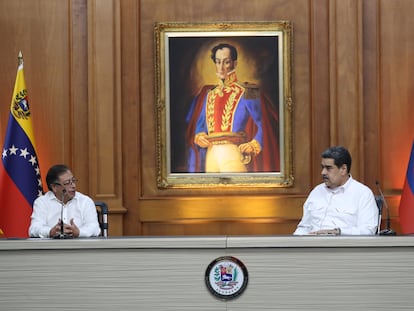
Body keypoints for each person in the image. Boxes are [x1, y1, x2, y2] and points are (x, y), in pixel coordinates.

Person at [186, 43, 279, 173]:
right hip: (211, 154)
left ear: (234, 64)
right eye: (218, 62)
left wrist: (253, 144)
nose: (221, 67)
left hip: (233, 153)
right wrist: (199, 135)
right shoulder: (208, 94)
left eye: (226, 62)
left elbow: (264, 123)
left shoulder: (249, 91)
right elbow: (200, 127)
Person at [293, 146, 379, 235]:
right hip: (311, 246)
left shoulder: (363, 194)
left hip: (343, 247)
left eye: (328, 168)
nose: (323, 172)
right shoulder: (317, 191)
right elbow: (304, 227)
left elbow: (368, 231)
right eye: (322, 167)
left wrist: (338, 232)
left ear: (343, 169)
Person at [29, 164, 101, 238]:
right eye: (67, 183)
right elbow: (34, 229)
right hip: (51, 248)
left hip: (79, 247)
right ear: (54, 187)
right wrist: (50, 232)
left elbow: (95, 228)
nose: (73, 186)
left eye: (73, 181)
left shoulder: (85, 201)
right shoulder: (42, 202)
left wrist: (78, 232)